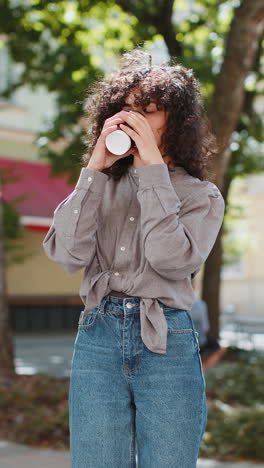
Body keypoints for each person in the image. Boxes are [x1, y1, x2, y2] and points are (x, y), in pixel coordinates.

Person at [43, 49, 225, 468]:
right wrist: (93, 169)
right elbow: (66, 254)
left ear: (175, 122)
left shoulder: (200, 195)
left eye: (149, 111)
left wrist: (152, 174)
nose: (133, 119)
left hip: (166, 338)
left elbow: (172, 261)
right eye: (125, 109)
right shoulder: (100, 184)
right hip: (96, 336)